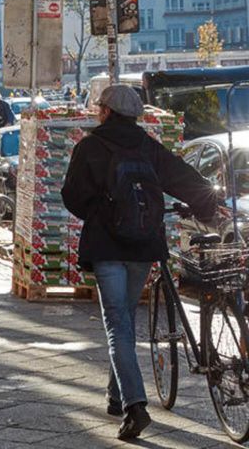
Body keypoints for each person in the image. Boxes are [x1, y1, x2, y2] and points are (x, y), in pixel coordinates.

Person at [62, 85, 217, 441]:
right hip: (145, 246)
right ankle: (116, 396)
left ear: (105, 112)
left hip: (107, 247)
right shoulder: (148, 146)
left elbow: (72, 196)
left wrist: (99, 213)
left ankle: (135, 406)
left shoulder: (89, 147)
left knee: (117, 324)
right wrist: (209, 204)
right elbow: (181, 177)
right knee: (125, 317)